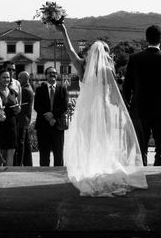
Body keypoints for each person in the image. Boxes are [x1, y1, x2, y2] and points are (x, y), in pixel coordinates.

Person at [55, 23, 147, 197]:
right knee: (105, 142)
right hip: (104, 112)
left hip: (86, 113)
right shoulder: (107, 70)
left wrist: (64, 31)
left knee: (88, 143)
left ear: (91, 53)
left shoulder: (82, 68)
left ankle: (90, 171)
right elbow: (114, 95)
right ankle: (103, 170)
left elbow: (70, 51)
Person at [123, 24, 161, 166]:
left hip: (139, 110)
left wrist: (129, 107)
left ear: (146, 39)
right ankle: (158, 177)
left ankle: (140, 176)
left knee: (140, 148)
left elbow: (127, 87)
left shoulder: (134, 59)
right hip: (160, 111)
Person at [34, 66, 69, 166]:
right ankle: (44, 177)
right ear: (46, 76)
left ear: (57, 75)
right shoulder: (40, 90)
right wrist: (48, 117)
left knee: (58, 154)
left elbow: (64, 106)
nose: (52, 74)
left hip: (58, 126)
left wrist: (53, 115)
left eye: (54, 73)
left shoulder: (63, 89)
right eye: (50, 73)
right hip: (43, 126)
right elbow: (37, 106)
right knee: (44, 155)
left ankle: (58, 176)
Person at [0, 69, 21, 166]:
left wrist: (18, 109)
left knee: (11, 150)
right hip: (0, 124)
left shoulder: (13, 92)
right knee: (1, 150)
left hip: (12, 124)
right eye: (3, 77)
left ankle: (9, 171)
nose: (6, 79)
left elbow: (17, 106)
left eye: (8, 77)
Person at [14, 71, 33, 166]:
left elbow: (20, 107)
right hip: (25, 120)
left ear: (25, 78)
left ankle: (19, 164)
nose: (18, 80)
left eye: (20, 78)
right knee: (26, 144)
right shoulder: (27, 88)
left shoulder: (25, 90)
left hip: (22, 120)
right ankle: (28, 164)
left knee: (21, 144)